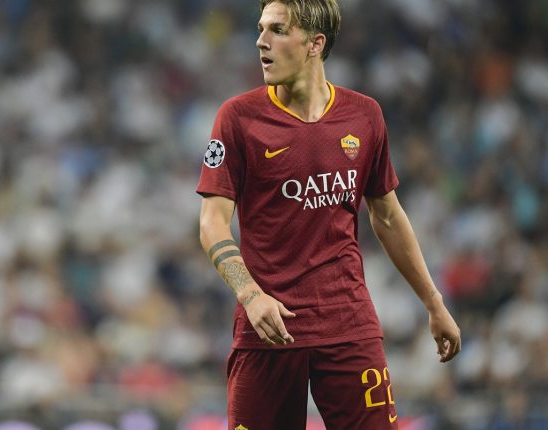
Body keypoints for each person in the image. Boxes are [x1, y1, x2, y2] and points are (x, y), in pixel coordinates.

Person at [196, 0, 462, 428]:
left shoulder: (364, 115)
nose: (260, 42)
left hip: (348, 324)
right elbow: (212, 223)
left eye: (277, 30)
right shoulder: (238, 118)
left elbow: (387, 216)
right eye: (260, 29)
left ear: (315, 43)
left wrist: (434, 303)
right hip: (267, 330)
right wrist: (251, 295)